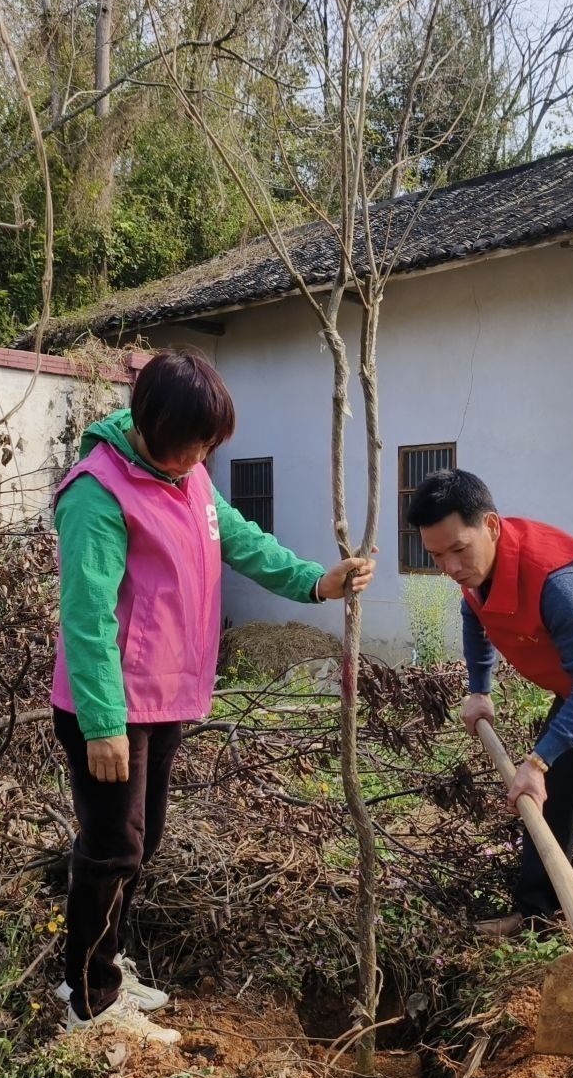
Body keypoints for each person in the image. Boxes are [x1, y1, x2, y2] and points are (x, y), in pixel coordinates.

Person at [52, 347, 374, 1042]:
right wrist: (103, 724)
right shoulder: (97, 491)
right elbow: (87, 615)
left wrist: (317, 581)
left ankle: (104, 965)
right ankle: (87, 1001)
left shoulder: (189, 477)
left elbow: (243, 541)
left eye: (209, 445)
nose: (201, 455)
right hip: (110, 704)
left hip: (163, 697)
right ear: (155, 425)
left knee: (143, 839)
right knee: (113, 845)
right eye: (193, 442)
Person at [407, 469, 573, 1037]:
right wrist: (479, 688)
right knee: (549, 805)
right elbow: (473, 615)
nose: (452, 567)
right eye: (437, 557)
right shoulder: (473, 571)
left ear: (490, 525)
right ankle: (536, 911)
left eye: (458, 550)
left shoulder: (557, 579)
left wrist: (536, 762)